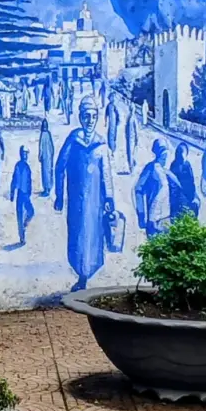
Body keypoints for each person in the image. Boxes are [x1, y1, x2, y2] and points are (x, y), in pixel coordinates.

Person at [55, 96, 114, 291]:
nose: (90, 120)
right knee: (78, 236)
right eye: (86, 116)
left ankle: (88, 275)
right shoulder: (73, 140)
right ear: (80, 117)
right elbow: (59, 166)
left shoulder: (101, 145)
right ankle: (80, 275)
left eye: (93, 116)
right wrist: (58, 195)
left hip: (96, 201)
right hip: (77, 200)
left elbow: (107, 174)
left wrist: (110, 199)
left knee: (94, 236)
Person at [134, 140, 179, 237]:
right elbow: (138, 189)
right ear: (157, 152)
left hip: (167, 217)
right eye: (163, 151)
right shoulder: (150, 168)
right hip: (154, 218)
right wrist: (141, 214)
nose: (165, 155)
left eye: (166, 152)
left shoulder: (167, 172)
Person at [9, 147, 35, 246]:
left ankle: (25, 223)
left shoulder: (27, 167)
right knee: (19, 216)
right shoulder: (18, 165)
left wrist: (30, 191)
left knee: (31, 212)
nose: (25, 155)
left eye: (26, 153)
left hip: (26, 194)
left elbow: (29, 181)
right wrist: (12, 193)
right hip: (20, 193)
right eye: (23, 153)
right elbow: (14, 179)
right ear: (20, 154)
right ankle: (22, 237)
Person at [170, 142, 199, 220]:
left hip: (187, 193)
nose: (181, 154)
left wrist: (193, 194)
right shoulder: (174, 165)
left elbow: (191, 181)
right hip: (179, 195)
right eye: (179, 151)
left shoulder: (187, 164)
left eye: (183, 152)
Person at [38, 119, 56, 198]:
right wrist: (52, 154)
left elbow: (41, 147)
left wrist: (40, 155)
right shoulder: (48, 134)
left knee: (45, 173)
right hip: (49, 156)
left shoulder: (43, 134)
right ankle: (48, 188)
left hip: (45, 157)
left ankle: (46, 189)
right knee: (49, 172)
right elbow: (52, 146)